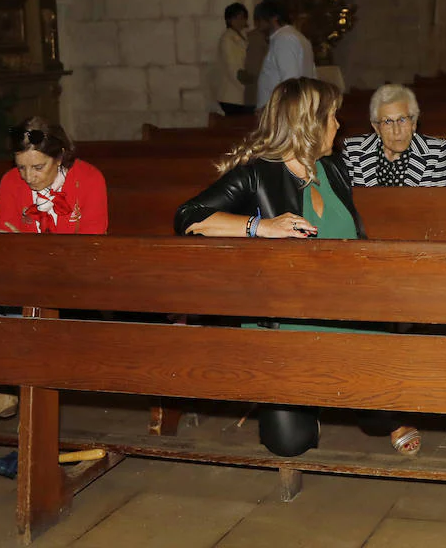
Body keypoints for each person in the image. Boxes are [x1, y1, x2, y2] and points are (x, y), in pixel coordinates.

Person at [174, 78, 422, 459]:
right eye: (332, 116)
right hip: (286, 324)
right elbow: (189, 217)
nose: (338, 124)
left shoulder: (333, 168)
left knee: (380, 411)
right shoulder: (258, 173)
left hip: (349, 315)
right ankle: (313, 401)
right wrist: (261, 227)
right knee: (289, 444)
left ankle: (367, 402)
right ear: (309, 122)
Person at [0, 118, 109, 425]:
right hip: (24, 274)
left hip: (74, 281)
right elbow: (3, 239)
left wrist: (31, 246)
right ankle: (0, 386)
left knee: (20, 300)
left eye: (38, 167)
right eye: (21, 167)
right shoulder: (10, 182)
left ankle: (19, 390)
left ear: (60, 156)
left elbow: (89, 250)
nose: (28, 177)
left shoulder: (89, 179)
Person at [342, 84, 446, 187]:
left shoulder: (437, 152)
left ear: (413, 123)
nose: (397, 131)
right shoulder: (353, 151)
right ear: (376, 127)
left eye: (402, 119)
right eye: (387, 121)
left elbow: (440, 202)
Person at [255, 0, 316, 109]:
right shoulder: (296, 36)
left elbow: (290, 80)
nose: (258, 24)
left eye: (260, 19)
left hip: (280, 111)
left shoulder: (284, 39)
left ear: (273, 18)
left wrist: (275, 111)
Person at [215, 2, 253, 116]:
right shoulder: (227, 39)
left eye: (243, 17)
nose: (241, 21)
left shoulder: (243, 36)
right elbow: (234, 68)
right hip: (232, 96)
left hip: (240, 94)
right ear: (229, 20)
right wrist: (247, 88)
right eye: (237, 18)